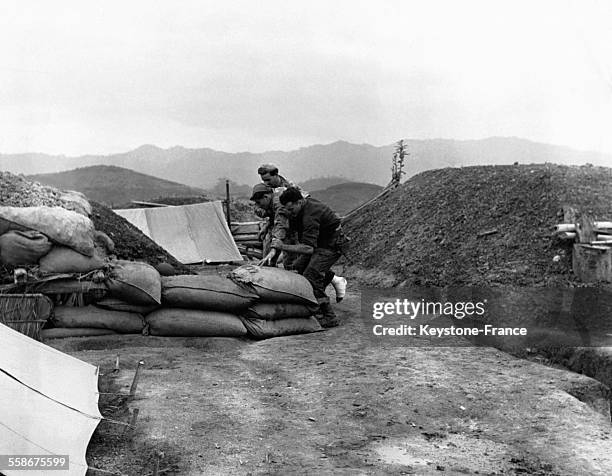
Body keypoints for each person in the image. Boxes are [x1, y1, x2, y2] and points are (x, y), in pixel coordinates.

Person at [256, 164, 347, 301]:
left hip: (305, 235)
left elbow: (285, 219)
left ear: (276, 175)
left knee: (304, 269)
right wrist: (269, 226)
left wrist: (277, 247)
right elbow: (278, 217)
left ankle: (318, 305)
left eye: (268, 180)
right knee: (299, 266)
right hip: (297, 231)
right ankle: (332, 282)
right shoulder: (275, 193)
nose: (266, 183)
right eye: (264, 181)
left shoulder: (289, 191)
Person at [271, 187, 347, 327]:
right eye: (286, 209)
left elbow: (308, 248)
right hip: (320, 243)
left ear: (299, 202)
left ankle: (329, 317)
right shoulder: (299, 209)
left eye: (291, 209)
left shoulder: (310, 216)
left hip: (331, 246)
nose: (289, 212)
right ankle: (322, 286)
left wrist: (283, 247)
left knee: (311, 275)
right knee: (298, 267)